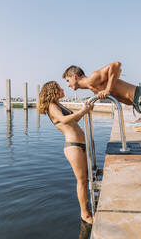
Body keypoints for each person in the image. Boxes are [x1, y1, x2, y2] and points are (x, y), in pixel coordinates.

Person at [37, 81, 94, 224]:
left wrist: (85, 109)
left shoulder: (59, 105)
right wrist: (82, 111)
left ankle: (88, 208)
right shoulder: (52, 106)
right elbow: (63, 119)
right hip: (73, 146)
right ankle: (85, 214)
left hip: (80, 144)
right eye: (59, 88)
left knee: (86, 179)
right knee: (81, 181)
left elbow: (74, 120)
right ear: (53, 91)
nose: (63, 89)